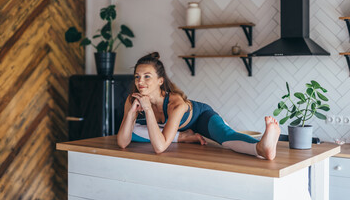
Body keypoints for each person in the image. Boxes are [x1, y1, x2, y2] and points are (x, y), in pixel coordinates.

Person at [117, 52, 280, 160]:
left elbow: (159, 148)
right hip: (170, 129)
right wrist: (131, 113)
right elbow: (122, 143)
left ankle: (261, 147)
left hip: (201, 118)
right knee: (133, 130)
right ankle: (183, 137)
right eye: (137, 76)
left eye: (147, 76)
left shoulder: (176, 104)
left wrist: (147, 109)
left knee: (226, 138)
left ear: (160, 81)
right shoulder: (133, 100)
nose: (140, 82)